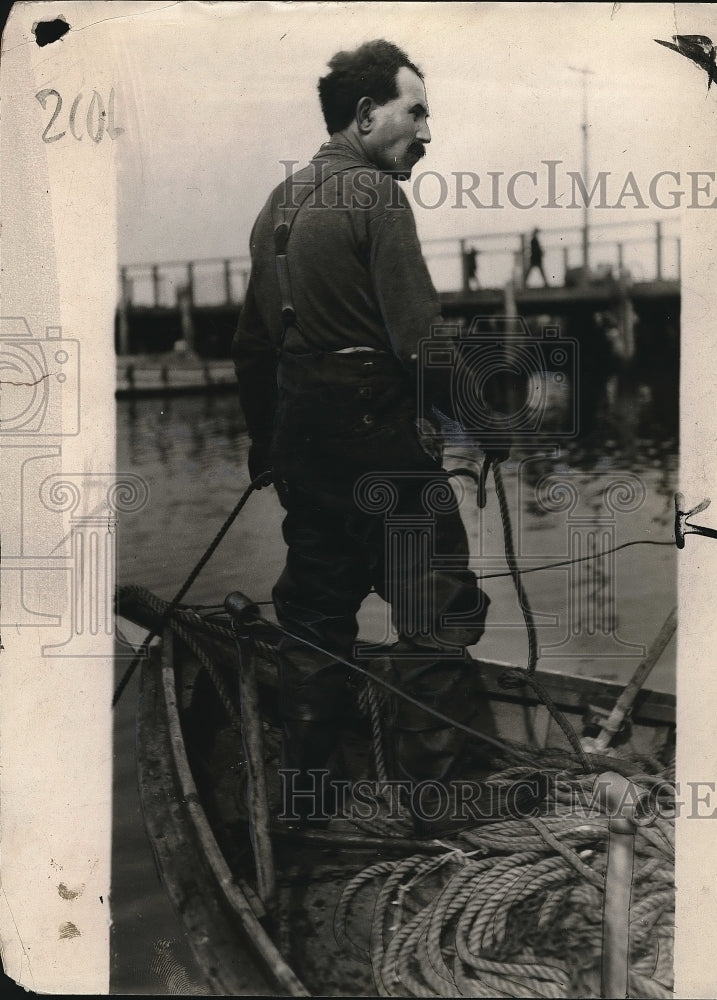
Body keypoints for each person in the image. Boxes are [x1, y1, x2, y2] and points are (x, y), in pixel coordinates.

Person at [232, 40, 507, 834]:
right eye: (414, 112)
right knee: (431, 607)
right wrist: (485, 426)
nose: (426, 132)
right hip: (377, 435)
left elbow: (252, 348)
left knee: (315, 614)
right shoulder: (378, 197)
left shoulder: (274, 206)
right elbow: (421, 343)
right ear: (365, 116)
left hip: (302, 445)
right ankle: (443, 801)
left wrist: (266, 451)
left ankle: (304, 799)